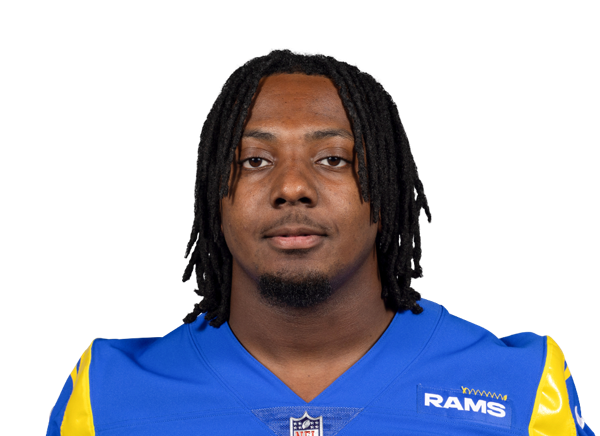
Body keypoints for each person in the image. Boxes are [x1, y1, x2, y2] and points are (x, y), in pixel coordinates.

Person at [46, 48, 594, 436]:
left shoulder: (521, 386)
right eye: (254, 161)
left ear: (388, 189)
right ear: (215, 196)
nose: (292, 187)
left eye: (333, 159)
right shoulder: (106, 391)